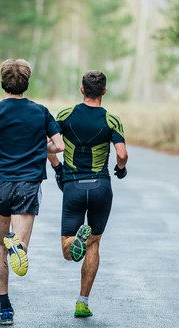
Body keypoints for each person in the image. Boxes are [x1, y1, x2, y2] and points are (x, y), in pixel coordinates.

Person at [0, 59, 65, 325]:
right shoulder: (41, 112)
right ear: (26, 82)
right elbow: (59, 147)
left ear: (3, 82)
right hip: (27, 183)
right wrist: (37, 147)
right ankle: (18, 244)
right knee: (19, 245)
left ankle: (5, 307)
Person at [47, 70, 128, 318]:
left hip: (73, 185)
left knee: (67, 249)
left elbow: (45, 143)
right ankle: (82, 302)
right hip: (100, 186)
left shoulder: (64, 115)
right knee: (94, 243)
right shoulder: (111, 120)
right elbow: (122, 155)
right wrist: (121, 169)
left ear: (82, 89)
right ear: (104, 91)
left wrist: (57, 167)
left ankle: (75, 240)